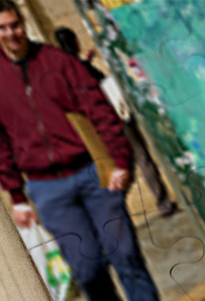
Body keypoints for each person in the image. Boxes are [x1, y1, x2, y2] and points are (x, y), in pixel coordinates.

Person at [0, 0, 195, 301]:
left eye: (15, 24)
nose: (11, 33)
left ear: (23, 22)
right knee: (88, 270)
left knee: (127, 257)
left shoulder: (58, 62)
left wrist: (119, 160)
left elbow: (99, 109)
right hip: (46, 187)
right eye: (1, 27)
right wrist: (16, 196)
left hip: (92, 175)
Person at [51, 26, 179, 218]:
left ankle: (117, 209)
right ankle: (162, 204)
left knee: (124, 165)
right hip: (117, 117)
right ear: (76, 42)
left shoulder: (69, 70)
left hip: (101, 124)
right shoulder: (82, 68)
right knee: (140, 158)